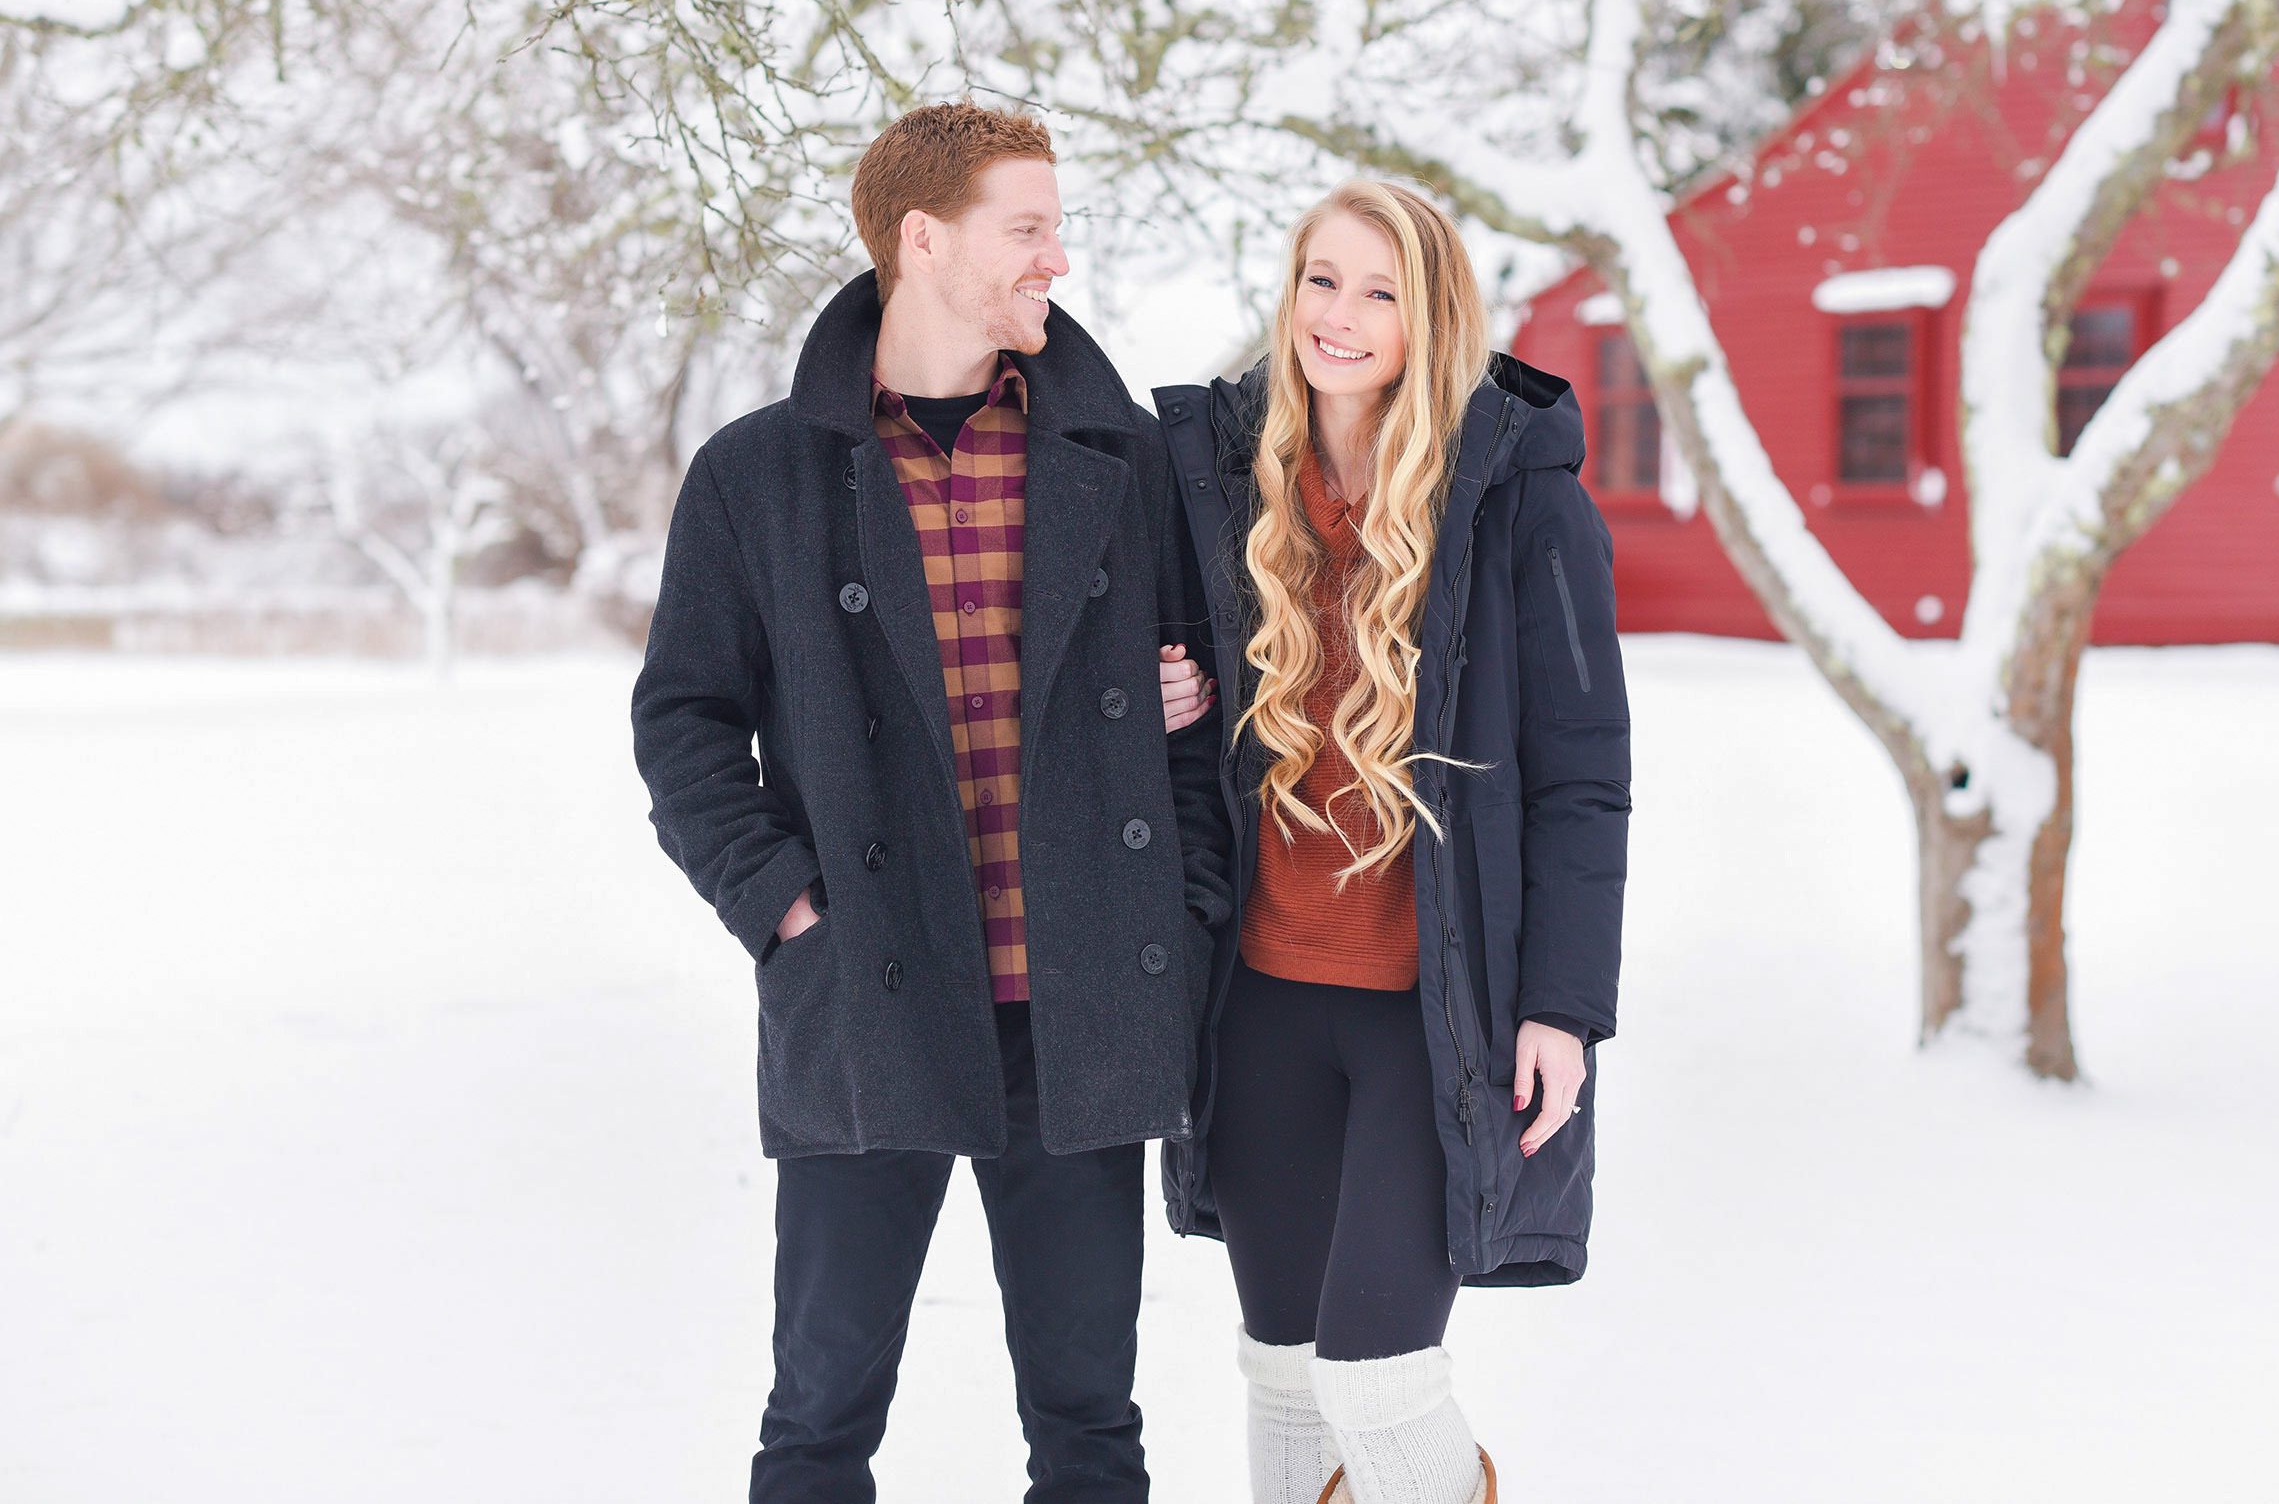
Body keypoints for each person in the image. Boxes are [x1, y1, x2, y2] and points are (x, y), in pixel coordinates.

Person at [629, 101, 1229, 1504]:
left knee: (1090, 1423)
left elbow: (1204, 715)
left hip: (1080, 1006)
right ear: (923, 237)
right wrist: (784, 905)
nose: (1056, 261)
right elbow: (683, 722)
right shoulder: (757, 476)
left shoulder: (1125, 461)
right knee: (821, 1416)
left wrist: (1184, 909)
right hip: (870, 1004)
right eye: (1029, 229)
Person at [1149, 180, 1631, 1504]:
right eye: (1320, 278)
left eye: (1380, 291)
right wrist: (1165, 689)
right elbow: (1161, 696)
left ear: (1433, 319)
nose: (1340, 317)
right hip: (1259, 1011)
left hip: (1434, 1023)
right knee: (1285, 1369)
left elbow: (1585, 782)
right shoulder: (1218, 485)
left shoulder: (1521, 506)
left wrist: (1562, 1011)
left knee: (1378, 1375)